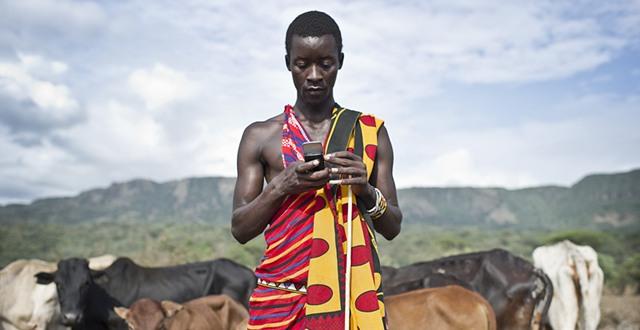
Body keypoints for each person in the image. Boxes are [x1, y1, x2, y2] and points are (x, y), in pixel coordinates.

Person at [231, 10, 402, 330]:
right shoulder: (260, 136)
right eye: (302, 64)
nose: (313, 75)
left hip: (351, 301)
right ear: (288, 63)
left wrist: (364, 189)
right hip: (280, 302)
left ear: (340, 60)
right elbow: (240, 228)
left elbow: (392, 226)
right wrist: (282, 185)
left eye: (325, 63)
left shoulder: (369, 132)